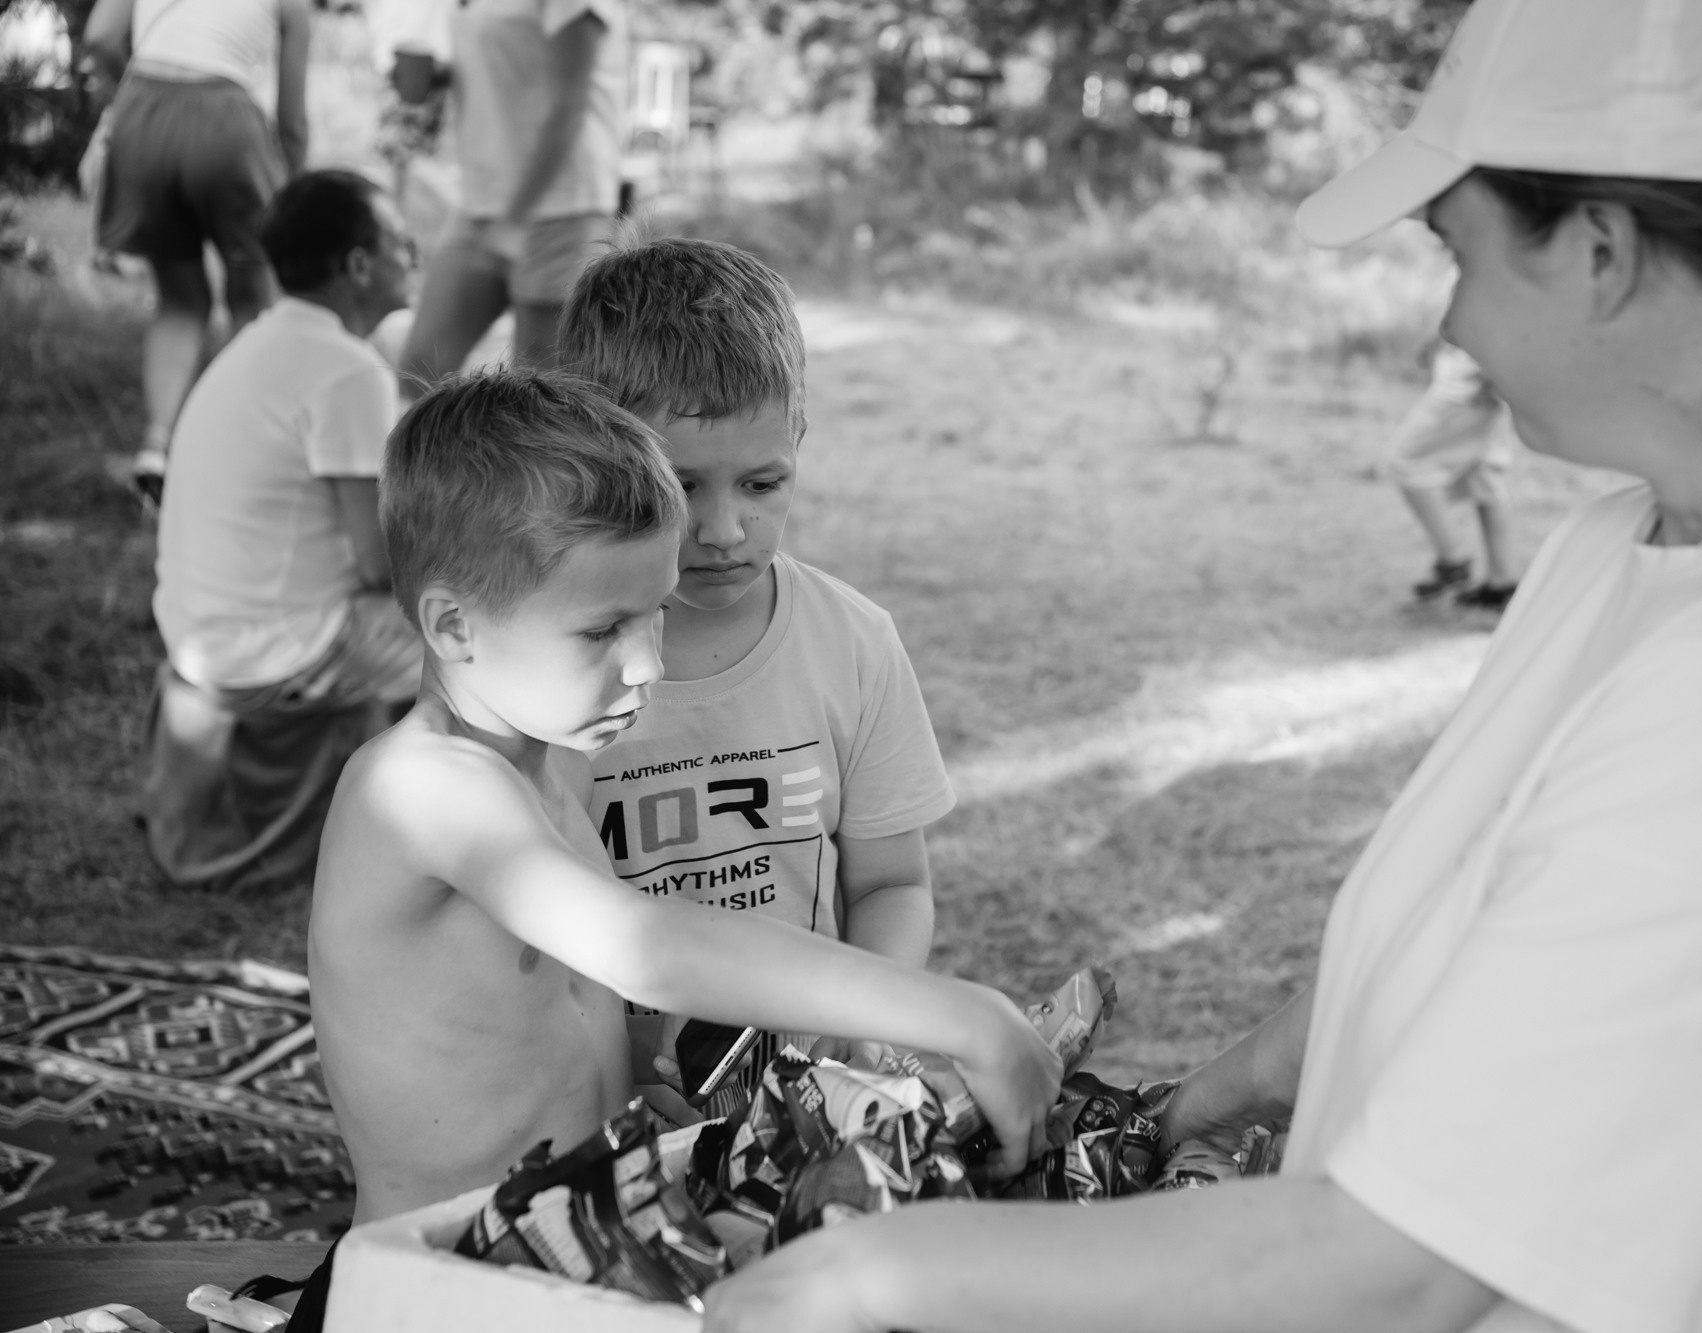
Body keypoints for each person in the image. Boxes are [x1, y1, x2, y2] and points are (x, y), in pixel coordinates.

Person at [701, 1, 1702, 1329]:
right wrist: (1177, 1113)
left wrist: (867, 1272)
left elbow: (1403, 1270)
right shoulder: (1630, 546)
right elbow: (1465, 930)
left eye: (1459, 250)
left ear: (1601, 251)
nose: (1451, 321)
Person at [297, 370, 1061, 1327]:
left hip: (570, 1259)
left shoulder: (540, 776)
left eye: (654, 612)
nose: (649, 663)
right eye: (604, 627)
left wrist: (634, 1065)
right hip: (433, 1293)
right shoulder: (418, 787)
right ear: (453, 625)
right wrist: (964, 1016)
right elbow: (648, 944)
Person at [556, 237, 955, 1109]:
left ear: (800, 441)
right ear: (597, 452)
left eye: (764, 483)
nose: (725, 529)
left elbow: (892, 882)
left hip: (801, 1096)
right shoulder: (553, 667)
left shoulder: (853, 642)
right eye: (682, 485)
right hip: (598, 1103)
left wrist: (867, 1018)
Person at [145, 169, 422, 895]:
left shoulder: (263, 342)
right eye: (401, 241)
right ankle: (436, 843)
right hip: (278, 647)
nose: (413, 256)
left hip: (203, 632)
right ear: (359, 264)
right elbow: (378, 563)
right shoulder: (346, 370)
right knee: (477, 633)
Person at [81, 0, 312, 502]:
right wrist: (293, 200)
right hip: (226, 119)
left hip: (141, 106)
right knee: (253, 302)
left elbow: (100, 37)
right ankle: (242, 454)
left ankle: (158, 445)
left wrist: (133, 99)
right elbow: (292, 124)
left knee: (180, 300)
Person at [392, 0, 626, 395]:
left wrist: (517, 220)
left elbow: (570, 103)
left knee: (541, 392)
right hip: (481, 204)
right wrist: (433, 75)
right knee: (420, 368)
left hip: (563, 208)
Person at [1388, 340, 1521, 609]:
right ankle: (1502, 582)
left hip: (1475, 377)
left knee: (1405, 460)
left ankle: (1454, 560)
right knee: (1483, 473)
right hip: (1485, 370)